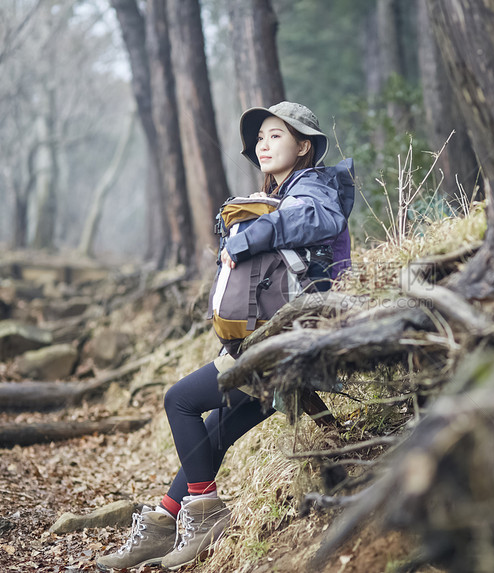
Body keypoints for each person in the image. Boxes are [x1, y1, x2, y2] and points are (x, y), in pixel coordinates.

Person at [96, 101, 353, 572]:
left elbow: (320, 221)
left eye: (276, 135)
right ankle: (161, 524)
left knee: (180, 401)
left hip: (290, 345)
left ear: (304, 147)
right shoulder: (285, 193)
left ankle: (207, 514)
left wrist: (246, 238)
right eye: (260, 138)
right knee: (212, 433)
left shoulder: (314, 188)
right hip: (272, 342)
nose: (264, 144)